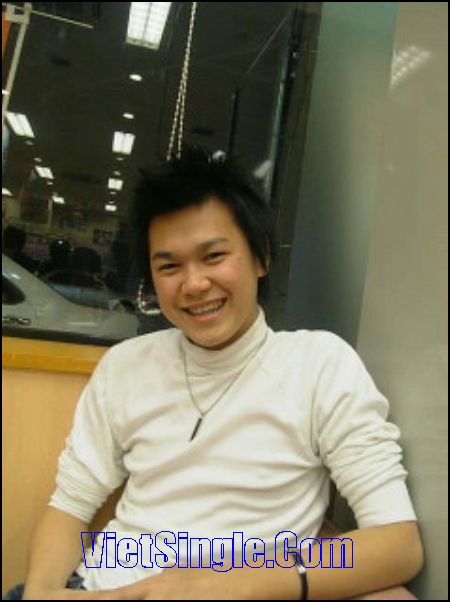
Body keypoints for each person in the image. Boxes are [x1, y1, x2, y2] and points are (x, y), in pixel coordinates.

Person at [16, 147, 423, 600]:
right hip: (103, 588)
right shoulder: (125, 366)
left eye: (213, 256)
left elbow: (397, 543)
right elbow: (70, 506)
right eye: (169, 266)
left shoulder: (319, 364)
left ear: (260, 257)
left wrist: (226, 585)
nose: (193, 284)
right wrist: (41, 592)